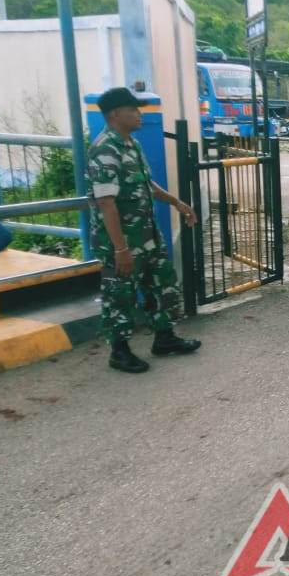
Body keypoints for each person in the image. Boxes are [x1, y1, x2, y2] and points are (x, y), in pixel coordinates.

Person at [86, 87, 201, 374]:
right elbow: (106, 203)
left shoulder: (131, 144)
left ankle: (164, 337)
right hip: (122, 241)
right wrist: (121, 249)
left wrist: (176, 202)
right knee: (120, 294)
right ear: (116, 114)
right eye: (133, 109)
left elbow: (147, 184)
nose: (139, 114)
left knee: (162, 283)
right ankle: (120, 351)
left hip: (147, 235)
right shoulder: (105, 149)